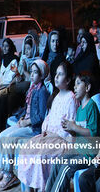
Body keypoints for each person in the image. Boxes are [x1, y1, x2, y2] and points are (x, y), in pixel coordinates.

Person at [16, 61, 79, 190]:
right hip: (49, 136)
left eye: (60, 74)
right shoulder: (56, 96)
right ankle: (29, 189)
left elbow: (69, 126)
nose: (56, 77)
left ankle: (42, 188)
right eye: (56, 74)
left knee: (40, 157)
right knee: (26, 150)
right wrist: (45, 130)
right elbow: (49, 117)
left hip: (61, 141)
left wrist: (53, 134)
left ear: (67, 80)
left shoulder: (71, 98)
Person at [0, 59, 50, 190]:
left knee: (9, 138)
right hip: (26, 123)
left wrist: (27, 121)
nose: (33, 75)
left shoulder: (42, 91)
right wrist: (23, 117)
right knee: (2, 134)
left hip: (33, 128)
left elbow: (41, 116)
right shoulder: (33, 88)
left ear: (42, 75)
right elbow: (28, 108)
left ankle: (9, 173)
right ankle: (3, 168)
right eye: (32, 72)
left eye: (36, 73)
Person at [45, 72, 100, 192]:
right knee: (58, 161)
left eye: (78, 84)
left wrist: (74, 127)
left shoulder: (91, 106)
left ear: (87, 88)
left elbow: (93, 133)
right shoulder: (80, 109)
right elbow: (78, 134)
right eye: (74, 84)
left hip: (89, 155)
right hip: (79, 150)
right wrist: (71, 130)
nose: (74, 87)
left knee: (66, 168)